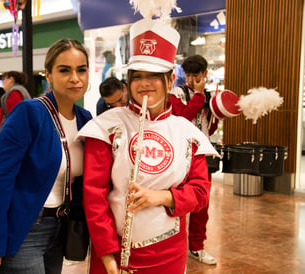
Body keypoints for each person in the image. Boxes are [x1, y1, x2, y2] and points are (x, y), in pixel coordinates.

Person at [77, 18, 219, 274]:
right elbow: (94, 197)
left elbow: (200, 192)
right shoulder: (106, 127)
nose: (144, 84)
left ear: (170, 79)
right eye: (137, 76)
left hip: (169, 253)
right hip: (115, 253)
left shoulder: (186, 132)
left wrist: (162, 197)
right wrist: (108, 257)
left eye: (153, 76)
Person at [0, 39, 92, 274]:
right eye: (64, 70)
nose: (75, 78)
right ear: (48, 75)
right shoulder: (29, 113)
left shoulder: (85, 119)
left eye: (81, 70)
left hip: (63, 227)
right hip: (27, 228)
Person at [170, 54, 219, 265]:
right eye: (188, 75)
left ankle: (197, 247)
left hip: (202, 156)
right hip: (180, 154)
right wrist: (198, 95)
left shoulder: (207, 95)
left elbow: (210, 127)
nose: (191, 79)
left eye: (196, 75)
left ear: (205, 74)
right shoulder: (177, 93)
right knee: (175, 202)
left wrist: (216, 113)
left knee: (202, 206)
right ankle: (172, 246)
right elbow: (183, 116)